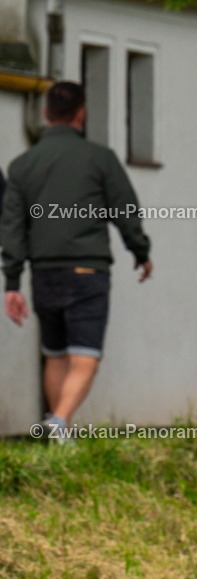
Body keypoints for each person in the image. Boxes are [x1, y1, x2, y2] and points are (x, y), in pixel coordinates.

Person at [1, 81, 153, 437]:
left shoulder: (22, 165)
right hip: (87, 269)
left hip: (43, 272)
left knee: (54, 353)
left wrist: (11, 283)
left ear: (45, 114)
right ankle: (60, 421)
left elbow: (12, 227)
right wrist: (140, 251)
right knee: (85, 355)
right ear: (81, 113)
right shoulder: (99, 158)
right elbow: (126, 210)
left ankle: (59, 431)